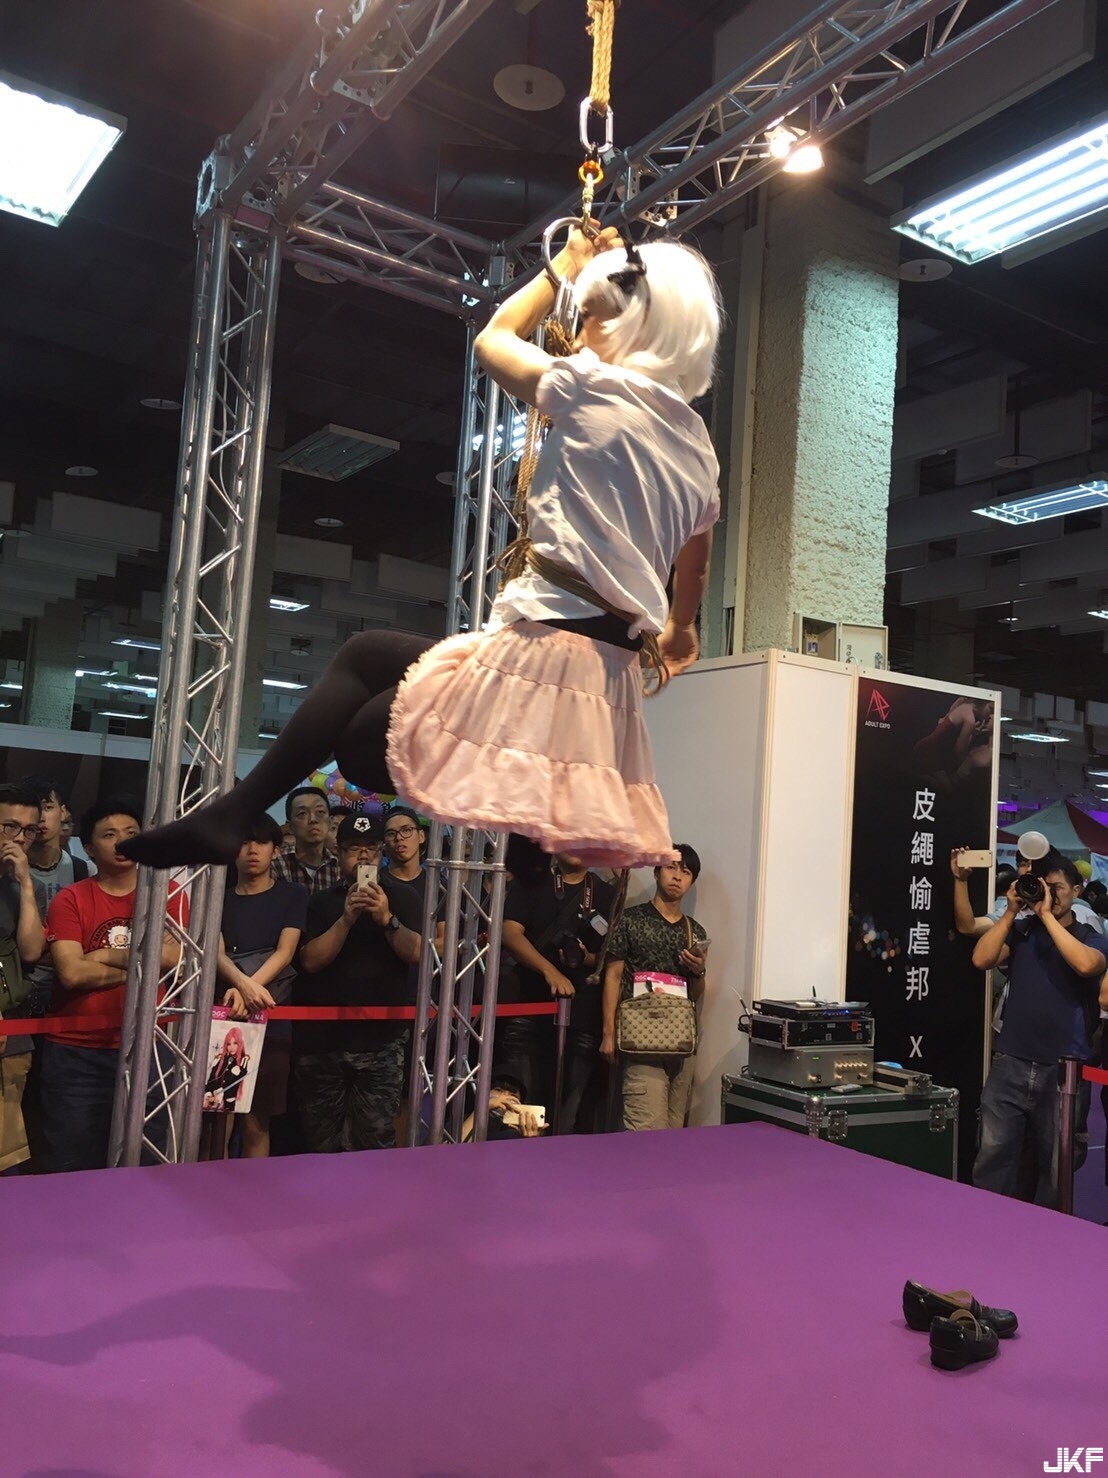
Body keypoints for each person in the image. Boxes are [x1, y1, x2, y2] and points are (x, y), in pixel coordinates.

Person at [122, 225, 722, 875]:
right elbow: (695, 563)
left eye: (594, 320)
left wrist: (561, 269)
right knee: (367, 671)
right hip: (602, 674)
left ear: (636, 327)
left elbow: (494, 342)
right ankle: (237, 816)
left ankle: (233, 815)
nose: (580, 335)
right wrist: (680, 629)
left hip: (547, 650)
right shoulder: (700, 452)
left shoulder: (591, 387)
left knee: (361, 735)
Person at [39, 800, 187, 1173]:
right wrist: (145, 968)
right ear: (89, 848)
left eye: (131, 833)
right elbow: (72, 973)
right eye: (109, 835)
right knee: (72, 1160)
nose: (122, 842)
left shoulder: (169, 893)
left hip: (150, 1046)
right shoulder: (71, 898)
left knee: (149, 1158)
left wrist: (103, 954)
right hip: (77, 1051)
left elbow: (175, 958)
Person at [970, 856, 1108, 1207]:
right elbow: (981, 959)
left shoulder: (1090, 937)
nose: (1050, 895)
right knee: (993, 1155)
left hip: (1065, 1070)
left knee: (1057, 1167)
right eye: (1044, 888)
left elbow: (1086, 964)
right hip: (1011, 1060)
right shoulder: (1022, 931)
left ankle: (1049, 1233)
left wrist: (1046, 915)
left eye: (1057, 888)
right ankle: (983, 1224)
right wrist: (1010, 912)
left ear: (1076, 890)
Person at [294, 813, 423, 1152]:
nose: (363, 856)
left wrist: (386, 918)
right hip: (323, 1042)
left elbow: (420, 955)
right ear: (339, 854)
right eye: (353, 848)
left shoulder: (404, 897)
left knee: (376, 1139)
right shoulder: (321, 901)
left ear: (382, 852)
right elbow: (309, 961)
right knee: (321, 1141)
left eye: (371, 848)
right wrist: (346, 919)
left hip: (382, 1041)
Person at [213, 817, 308, 1157]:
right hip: (226, 1010)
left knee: (257, 1121)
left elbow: (285, 952)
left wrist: (247, 988)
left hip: (270, 1011)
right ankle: (209, 1186)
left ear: (276, 850)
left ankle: (255, 1190)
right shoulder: (218, 897)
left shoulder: (293, 894)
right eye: (243, 842)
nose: (252, 850)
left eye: (262, 842)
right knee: (218, 1117)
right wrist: (242, 985)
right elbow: (214, 952)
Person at [500, 854, 613, 1132]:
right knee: (522, 1111)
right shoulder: (531, 883)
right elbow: (510, 933)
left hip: (582, 1016)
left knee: (568, 1115)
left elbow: (613, 955)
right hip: (527, 1008)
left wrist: (587, 958)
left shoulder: (606, 893)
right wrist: (549, 970)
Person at [601, 844, 708, 1131]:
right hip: (640, 1041)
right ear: (657, 871)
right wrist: (608, 1033)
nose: (677, 876)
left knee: (674, 1133)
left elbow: (696, 993)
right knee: (646, 1130)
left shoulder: (695, 931)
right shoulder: (630, 920)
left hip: (681, 1043)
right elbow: (612, 976)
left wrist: (699, 971)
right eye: (671, 867)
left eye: (686, 872)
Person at [0, 784, 47, 1174]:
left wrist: (27, 884)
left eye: (29, 830)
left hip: (13, 1033)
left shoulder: (26, 886)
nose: (19, 838)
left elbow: (32, 951)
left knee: (7, 1156)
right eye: (10, 826)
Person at [271, 787, 340, 894]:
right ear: (290, 826)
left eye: (320, 812)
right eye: (302, 813)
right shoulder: (276, 864)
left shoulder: (340, 866)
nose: (313, 819)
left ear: (330, 822)